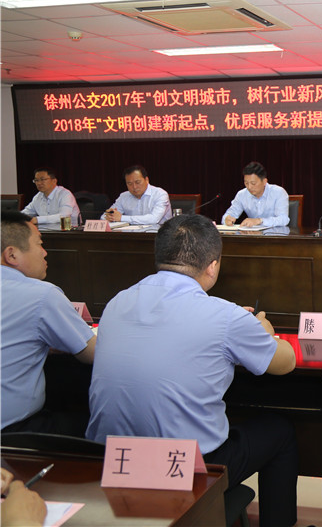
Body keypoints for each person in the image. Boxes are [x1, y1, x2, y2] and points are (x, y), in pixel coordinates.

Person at [86, 214, 299, 526]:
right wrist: (263, 332)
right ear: (212, 266)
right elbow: (285, 362)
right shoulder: (226, 316)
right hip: (184, 467)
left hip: (111, 460)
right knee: (280, 431)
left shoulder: (117, 302)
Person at [1, 211, 96, 435]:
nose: (45, 252)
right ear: (12, 254)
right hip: (14, 433)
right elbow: (92, 353)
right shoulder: (40, 295)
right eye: (39, 244)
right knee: (99, 423)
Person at [222, 161, 289, 228]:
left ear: (264, 181)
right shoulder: (241, 195)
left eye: (253, 183)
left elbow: (283, 219)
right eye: (246, 183)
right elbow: (229, 215)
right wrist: (227, 220)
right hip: (252, 233)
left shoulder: (278, 192)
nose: (249, 187)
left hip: (275, 233)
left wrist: (260, 221)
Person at [104, 165, 171, 225]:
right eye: (129, 183)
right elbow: (104, 217)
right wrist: (110, 216)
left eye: (137, 182)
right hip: (131, 233)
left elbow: (154, 219)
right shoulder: (123, 196)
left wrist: (121, 218)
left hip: (158, 233)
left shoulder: (160, 194)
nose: (134, 187)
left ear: (146, 180)